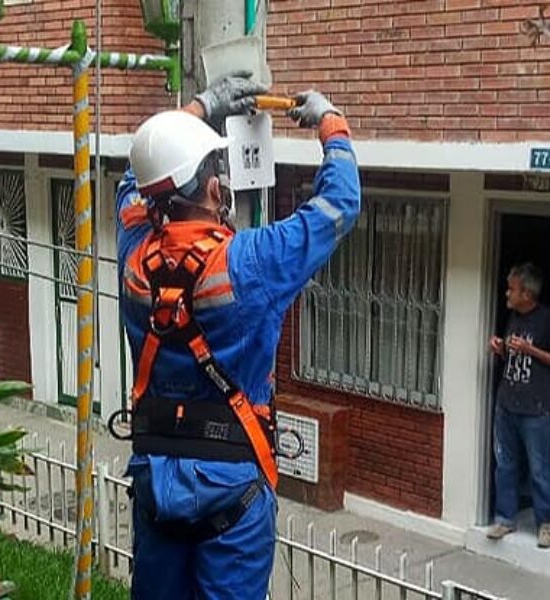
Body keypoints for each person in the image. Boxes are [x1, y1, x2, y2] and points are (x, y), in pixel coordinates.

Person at [116, 73, 360, 600]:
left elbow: (133, 177)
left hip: (156, 485)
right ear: (212, 189)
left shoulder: (133, 254)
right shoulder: (251, 263)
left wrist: (200, 107)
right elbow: (339, 204)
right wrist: (329, 122)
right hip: (234, 496)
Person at [487, 263, 550, 549]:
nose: (506, 293)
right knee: (505, 466)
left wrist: (531, 350)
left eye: (511, 288)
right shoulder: (513, 316)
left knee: (539, 470)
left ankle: (548, 525)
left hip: (537, 411)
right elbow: (514, 359)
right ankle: (505, 518)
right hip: (507, 405)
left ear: (527, 292)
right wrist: (501, 349)